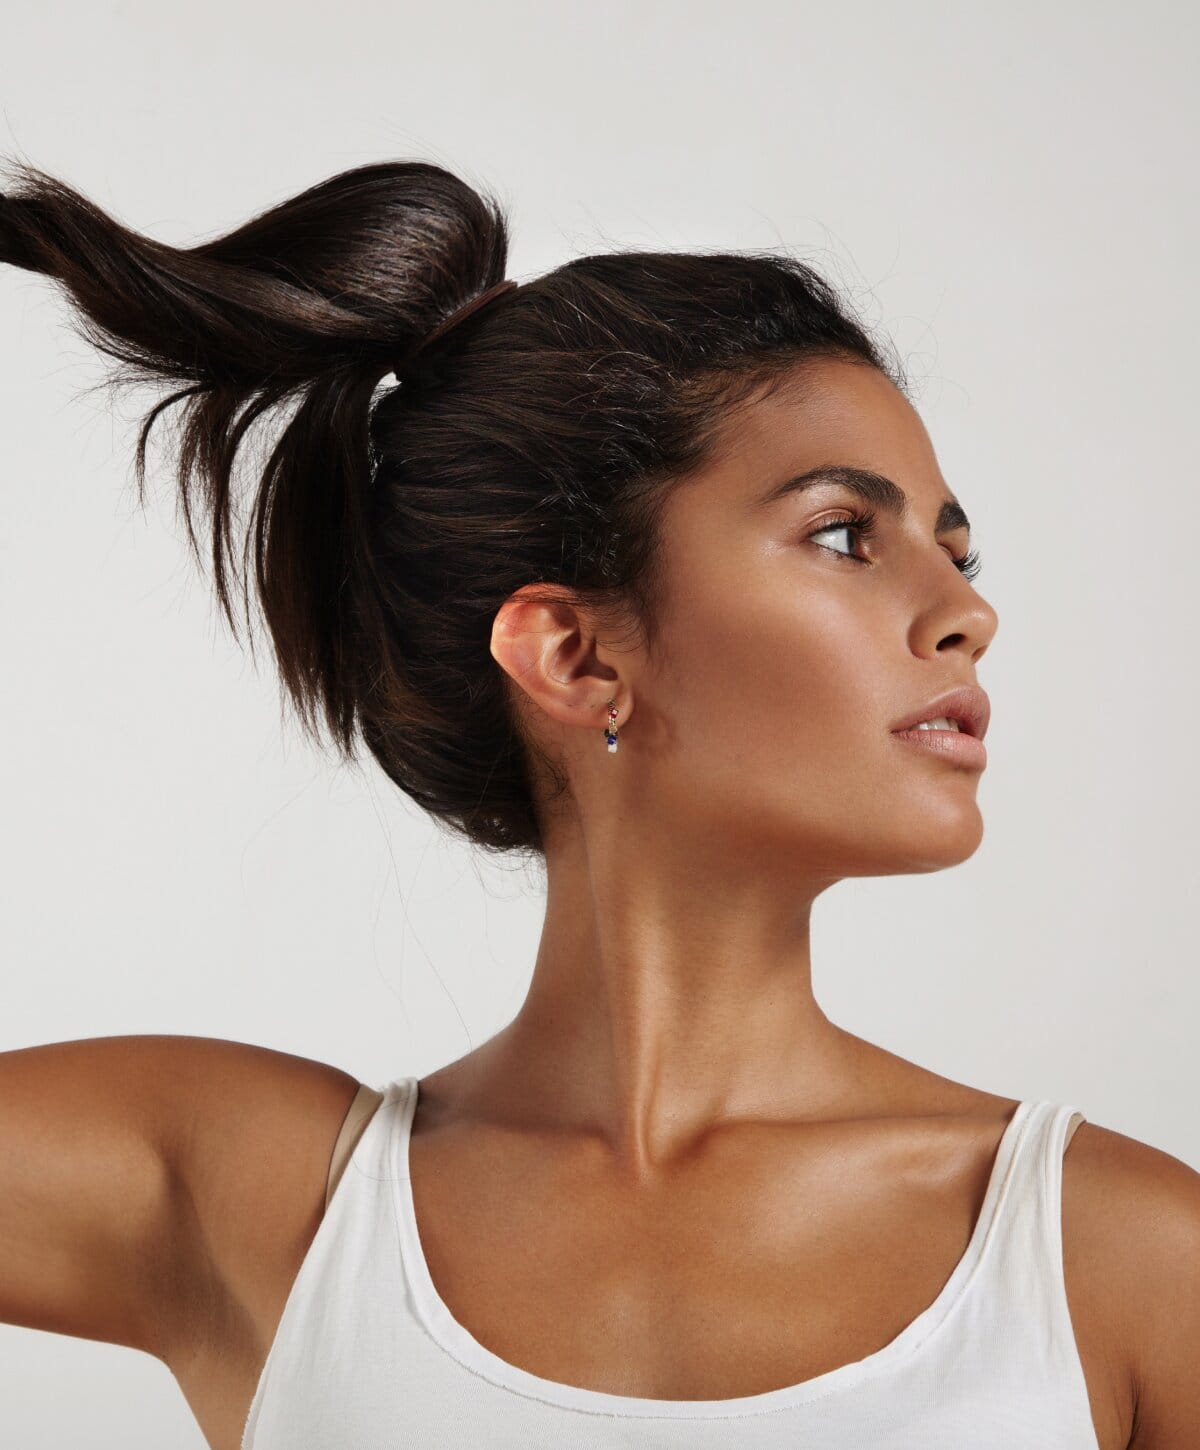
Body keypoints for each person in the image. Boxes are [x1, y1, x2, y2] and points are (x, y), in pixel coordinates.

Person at [0, 158, 1195, 1450]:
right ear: (573, 656)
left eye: (958, 553)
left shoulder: (1115, 1256)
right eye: (849, 533)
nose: (970, 612)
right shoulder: (249, 1193)